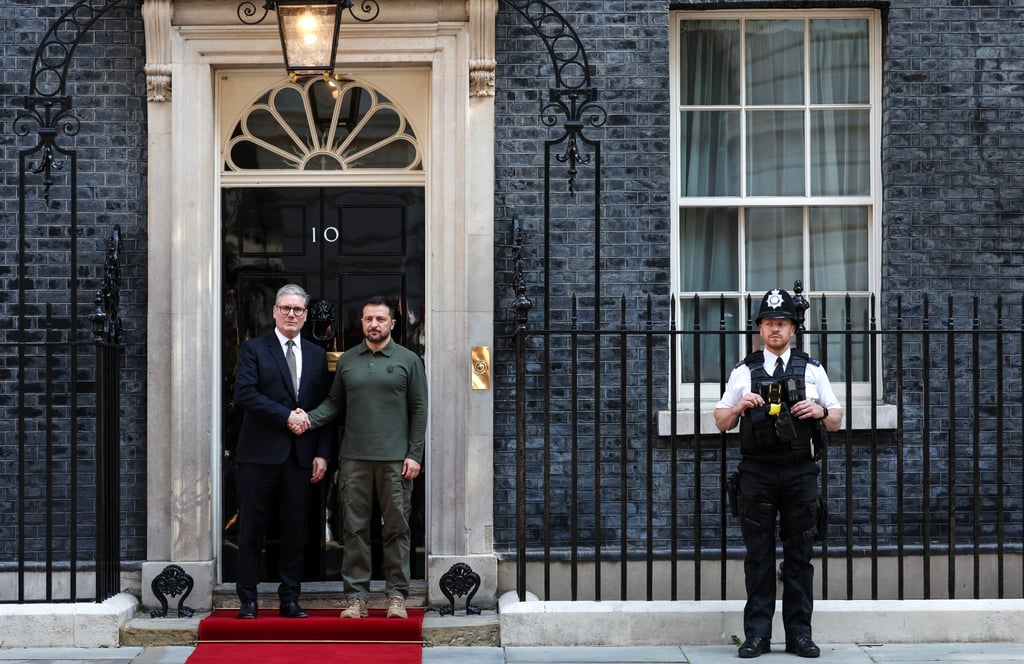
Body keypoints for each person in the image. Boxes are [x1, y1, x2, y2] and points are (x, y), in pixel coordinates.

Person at [714, 288, 842, 659]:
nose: (774, 330)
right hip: (757, 473)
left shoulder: (813, 369)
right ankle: (757, 637)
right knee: (758, 556)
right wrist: (739, 406)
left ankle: (799, 636)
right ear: (760, 328)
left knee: (800, 555)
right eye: (769, 324)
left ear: (793, 329)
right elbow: (721, 421)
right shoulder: (743, 370)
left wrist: (817, 410)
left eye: (781, 324)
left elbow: (836, 419)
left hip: (800, 471)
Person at [290, 295, 427, 620]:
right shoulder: (349, 361)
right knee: (353, 531)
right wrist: (306, 417)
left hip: (396, 461)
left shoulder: (409, 360)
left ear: (392, 323)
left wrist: (414, 454)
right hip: (354, 460)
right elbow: (335, 404)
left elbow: (419, 409)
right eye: (369, 319)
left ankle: (396, 596)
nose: (374, 324)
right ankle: (356, 599)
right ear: (362, 322)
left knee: (397, 529)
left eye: (381, 319)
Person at [232, 284, 333, 619]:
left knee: (295, 531)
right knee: (251, 530)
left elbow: (325, 407)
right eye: (286, 308)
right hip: (258, 455)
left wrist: (322, 452)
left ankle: (290, 597)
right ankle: (248, 598)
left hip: (301, 457)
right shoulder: (254, 349)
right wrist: (285, 416)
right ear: (274, 311)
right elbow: (245, 393)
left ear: (305, 315)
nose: (292, 314)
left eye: (298, 310)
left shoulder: (318, 355)